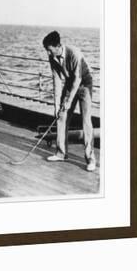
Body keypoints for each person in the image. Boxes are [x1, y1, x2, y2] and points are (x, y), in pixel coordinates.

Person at [43, 31, 96, 171]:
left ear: (57, 46)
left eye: (49, 49)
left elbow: (78, 79)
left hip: (84, 84)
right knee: (62, 117)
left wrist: (69, 100)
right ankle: (61, 153)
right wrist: (57, 106)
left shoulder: (74, 53)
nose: (48, 53)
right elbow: (56, 82)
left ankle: (90, 159)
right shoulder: (52, 58)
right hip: (69, 85)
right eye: (46, 50)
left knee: (86, 121)